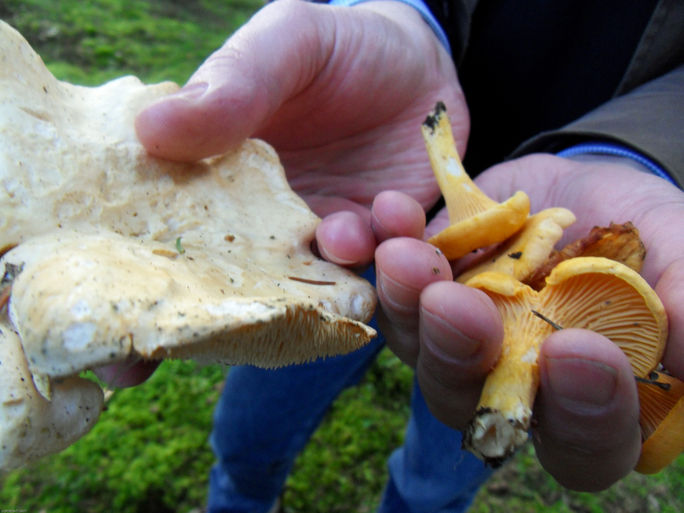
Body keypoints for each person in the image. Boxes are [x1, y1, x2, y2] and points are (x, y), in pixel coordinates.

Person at [126, 0, 684, 511]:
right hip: (352, 201)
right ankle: (238, 496)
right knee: (254, 421)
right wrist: (402, 14)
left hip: (488, 289)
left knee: (439, 473)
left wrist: (636, 152)